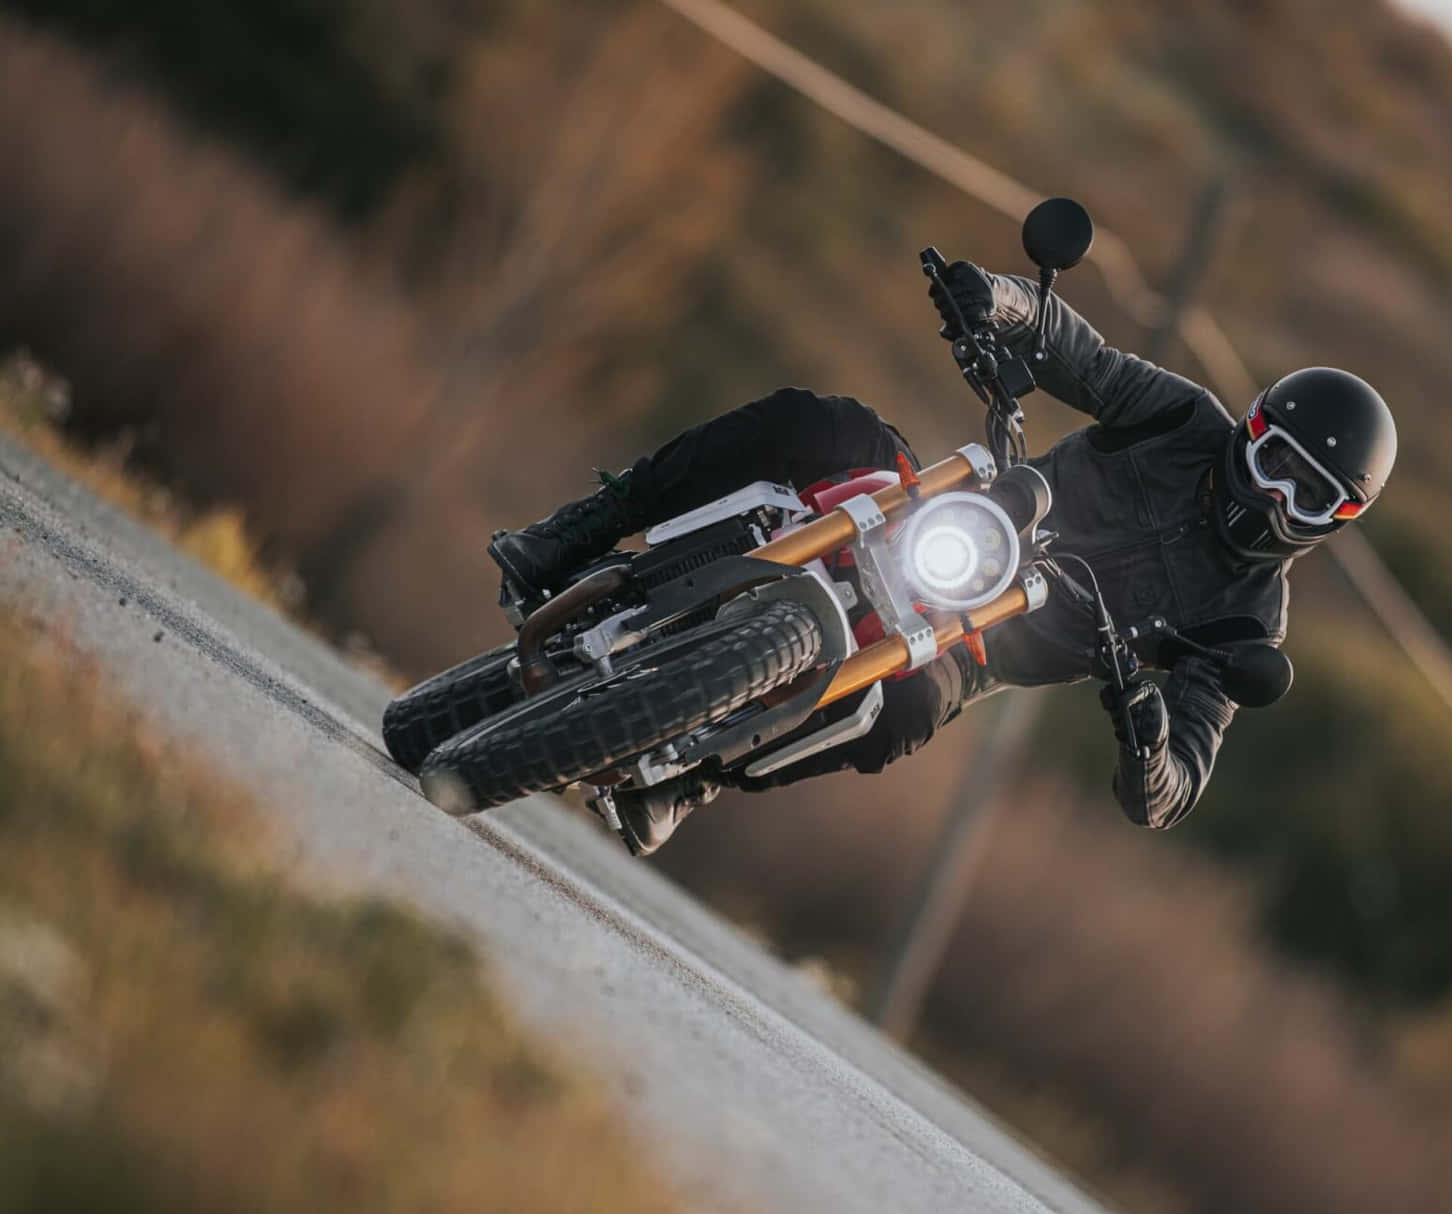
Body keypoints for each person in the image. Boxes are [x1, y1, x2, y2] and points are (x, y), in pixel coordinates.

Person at [489, 262, 1397, 852]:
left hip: (978, 639)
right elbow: (1077, 352)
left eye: (1307, 493)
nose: (1276, 495)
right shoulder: (1183, 420)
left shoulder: (1248, 620)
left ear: (1336, 518)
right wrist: (996, 300)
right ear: (1252, 431)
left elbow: (1170, 791)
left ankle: (692, 778)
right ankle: (573, 533)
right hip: (956, 513)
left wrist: (1147, 732)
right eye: (1277, 462)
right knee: (819, 422)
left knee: (903, 712)